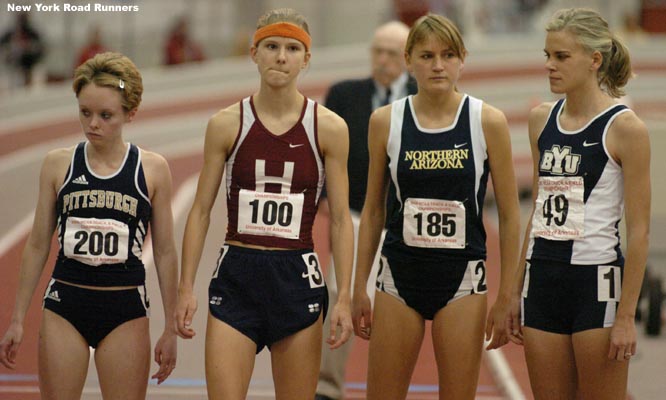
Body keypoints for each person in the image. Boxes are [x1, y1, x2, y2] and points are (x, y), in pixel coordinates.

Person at [174, 8, 354, 400]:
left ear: (306, 59)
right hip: (237, 276)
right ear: (254, 53)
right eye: (271, 46)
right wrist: (185, 287)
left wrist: (344, 297)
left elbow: (341, 218)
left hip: (297, 280)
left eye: (292, 48)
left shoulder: (329, 128)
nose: (281, 56)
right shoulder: (226, 123)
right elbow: (200, 211)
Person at [352, 14, 521, 399]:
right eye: (426, 56)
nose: (438, 65)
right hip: (398, 275)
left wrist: (507, 295)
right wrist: (358, 286)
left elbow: (510, 217)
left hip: (462, 279)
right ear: (408, 61)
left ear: (463, 59)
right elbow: (373, 211)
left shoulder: (486, 121)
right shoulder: (385, 121)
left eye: (447, 55)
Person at [0, 52, 178, 398]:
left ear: (131, 113)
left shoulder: (152, 170)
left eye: (105, 115)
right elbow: (37, 243)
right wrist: (18, 317)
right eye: (85, 112)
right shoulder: (58, 164)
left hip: (125, 309)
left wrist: (170, 327)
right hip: (65, 305)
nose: (92, 123)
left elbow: (167, 252)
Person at [507, 8, 651, 400]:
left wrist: (626, 316)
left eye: (561, 57)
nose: (550, 66)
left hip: (595, 283)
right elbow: (538, 209)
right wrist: (515, 289)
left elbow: (639, 231)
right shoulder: (541, 120)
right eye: (547, 56)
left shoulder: (625, 128)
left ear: (594, 60)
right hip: (543, 280)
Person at [315, 20, 417, 400]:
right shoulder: (344, 94)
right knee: (339, 292)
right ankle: (326, 386)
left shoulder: (424, 95)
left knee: (396, 304)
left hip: (407, 219)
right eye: (378, 51)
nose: (383, 60)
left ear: (406, 58)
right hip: (355, 213)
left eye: (392, 53)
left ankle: (388, 388)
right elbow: (325, 149)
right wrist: (324, 195)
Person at [0, 12, 44, 87]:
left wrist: (29, 48)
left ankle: (27, 84)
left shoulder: (32, 33)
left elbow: (40, 47)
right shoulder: (11, 33)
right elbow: (3, 43)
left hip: (28, 63)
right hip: (12, 65)